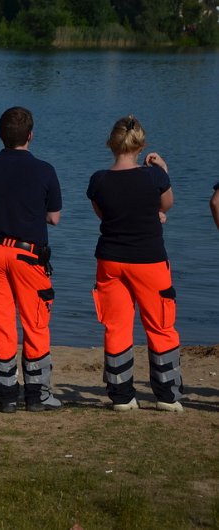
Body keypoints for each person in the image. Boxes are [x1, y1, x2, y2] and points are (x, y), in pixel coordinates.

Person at [86, 115, 184, 412]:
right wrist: (163, 170)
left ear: (111, 144)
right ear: (141, 145)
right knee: (160, 325)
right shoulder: (154, 176)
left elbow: (104, 215)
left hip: (111, 260)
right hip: (149, 259)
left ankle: (121, 395)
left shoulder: (99, 180)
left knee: (116, 326)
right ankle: (167, 396)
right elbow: (165, 205)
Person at [0, 106, 63, 414]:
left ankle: (6, 394)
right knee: (35, 321)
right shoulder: (45, 170)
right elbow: (54, 218)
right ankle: (37, 394)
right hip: (27, 254)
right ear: (31, 135)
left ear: (1, 135)